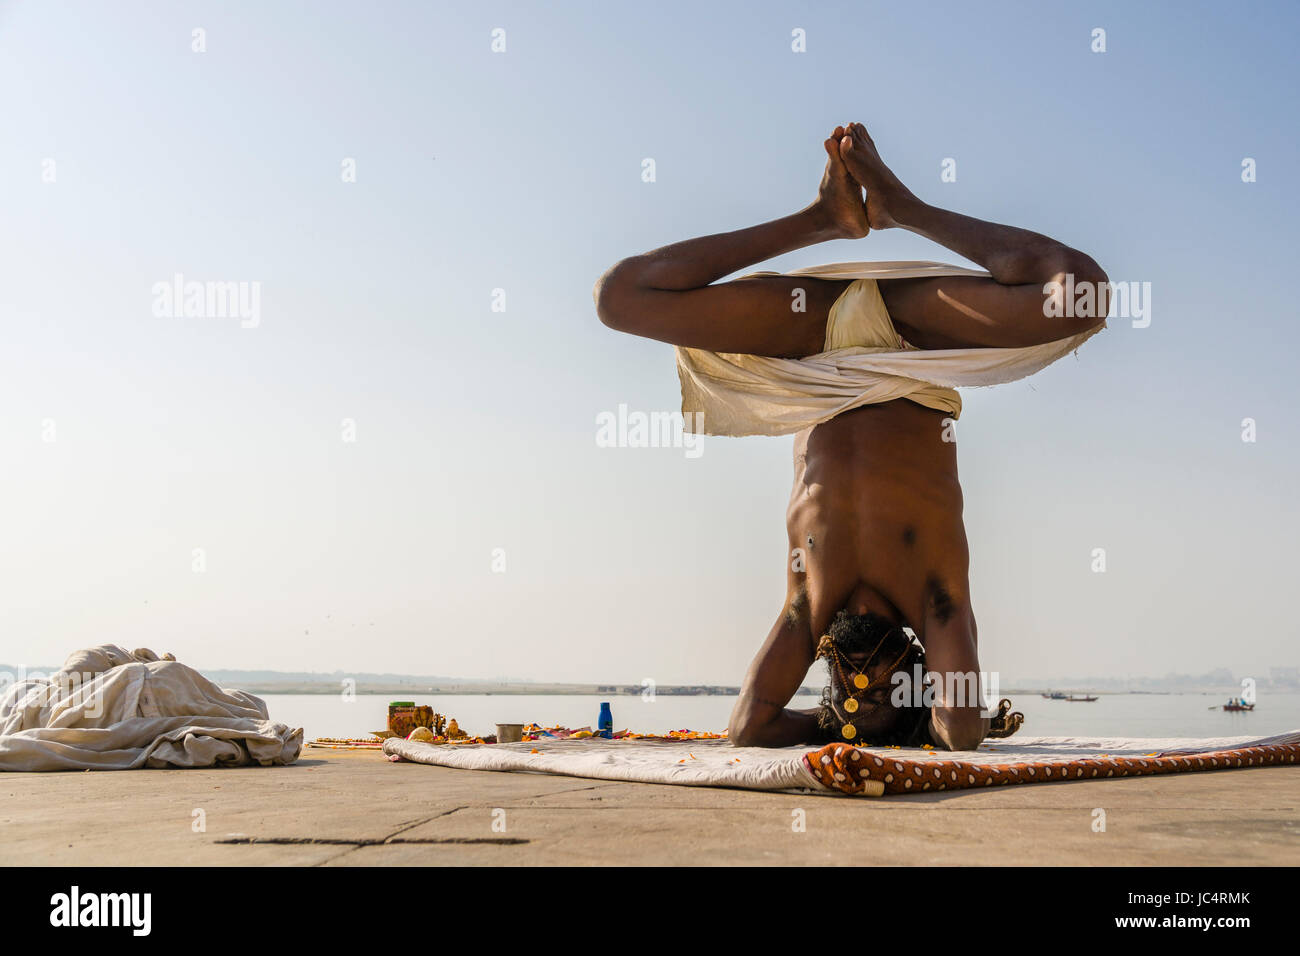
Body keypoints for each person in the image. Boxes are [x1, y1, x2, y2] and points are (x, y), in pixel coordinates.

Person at [594, 123, 1106, 749]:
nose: (859, 676)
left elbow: (748, 727)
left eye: (845, 689)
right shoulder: (934, 600)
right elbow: (962, 731)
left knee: (620, 297)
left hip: (813, 346)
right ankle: (904, 207)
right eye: (882, 691)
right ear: (915, 681)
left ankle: (819, 218)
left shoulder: (809, 607)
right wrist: (915, 726)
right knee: (1081, 294)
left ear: (828, 677)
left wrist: (833, 727)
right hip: (910, 344)